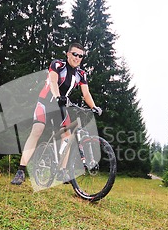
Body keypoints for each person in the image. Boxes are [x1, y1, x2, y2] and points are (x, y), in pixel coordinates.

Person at [11, 43, 102, 185]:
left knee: (69, 134)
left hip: (61, 105)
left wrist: (94, 106)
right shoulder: (58, 65)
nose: (77, 58)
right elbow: (53, 81)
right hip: (46, 103)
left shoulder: (81, 74)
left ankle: (62, 170)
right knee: (37, 130)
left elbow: (86, 93)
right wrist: (58, 96)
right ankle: (21, 170)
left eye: (80, 56)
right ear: (68, 54)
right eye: (74, 54)